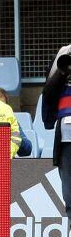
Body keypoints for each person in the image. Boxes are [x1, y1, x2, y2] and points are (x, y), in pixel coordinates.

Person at [41, 44, 71, 220]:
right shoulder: (65, 52)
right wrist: (62, 73)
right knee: (68, 183)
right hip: (67, 127)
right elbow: (49, 93)